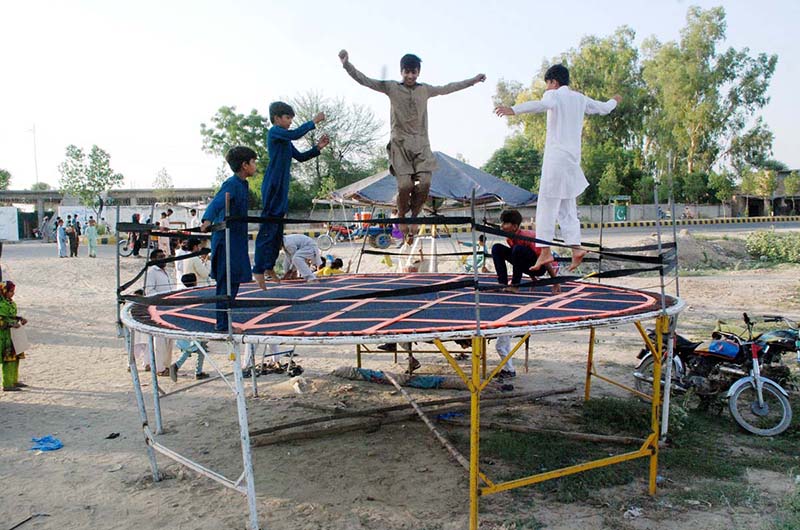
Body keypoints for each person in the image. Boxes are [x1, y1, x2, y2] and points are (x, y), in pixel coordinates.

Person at [339, 49, 485, 236]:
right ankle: (401, 214)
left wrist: (472, 81)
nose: (410, 76)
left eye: (413, 72)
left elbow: (449, 87)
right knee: (404, 186)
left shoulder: (425, 89)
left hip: (421, 144)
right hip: (400, 145)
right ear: (401, 72)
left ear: (418, 73)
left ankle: (415, 215)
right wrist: (346, 65)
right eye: (406, 72)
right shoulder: (391, 87)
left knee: (425, 182)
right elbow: (365, 80)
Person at [495, 64, 621, 271]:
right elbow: (604, 108)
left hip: (556, 159)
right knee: (567, 207)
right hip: (572, 161)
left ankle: (544, 252)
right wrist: (614, 101)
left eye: (547, 85)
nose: (546, 90)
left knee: (546, 205)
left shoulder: (555, 96)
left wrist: (513, 110)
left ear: (553, 82)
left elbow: (539, 104)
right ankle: (576, 247)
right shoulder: (580, 99)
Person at [252, 101, 329, 290]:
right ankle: (258, 269)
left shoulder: (284, 141)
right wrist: (313, 122)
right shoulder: (275, 132)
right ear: (277, 118)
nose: (289, 122)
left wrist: (318, 148)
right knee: (267, 230)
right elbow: (295, 134)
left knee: (277, 232)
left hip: (282, 187)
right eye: (287, 118)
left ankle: (269, 266)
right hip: (273, 185)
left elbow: (301, 157)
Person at [201, 146, 257, 332]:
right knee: (226, 282)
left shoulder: (243, 184)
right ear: (244, 165)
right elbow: (217, 202)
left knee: (235, 280)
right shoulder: (232, 184)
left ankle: (226, 322)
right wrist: (207, 219)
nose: (255, 165)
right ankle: (223, 324)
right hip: (226, 241)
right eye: (253, 162)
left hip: (236, 240)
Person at [491, 210, 559, 293]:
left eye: (505, 223)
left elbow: (544, 259)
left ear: (515, 226)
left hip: (539, 268)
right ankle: (502, 284)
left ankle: (515, 285)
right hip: (527, 265)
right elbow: (520, 260)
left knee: (517, 249)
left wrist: (556, 282)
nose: (502, 226)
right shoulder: (510, 239)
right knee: (497, 248)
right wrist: (533, 280)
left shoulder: (527, 237)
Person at [144, 249, 173, 375]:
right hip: (157, 309)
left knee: (166, 339)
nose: (163, 259)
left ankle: (153, 363)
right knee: (159, 340)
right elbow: (149, 291)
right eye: (160, 257)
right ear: (153, 259)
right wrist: (163, 299)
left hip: (168, 308)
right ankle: (159, 368)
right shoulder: (151, 272)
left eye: (164, 256)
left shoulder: (164, 272)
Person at [0, 281, 28, 391]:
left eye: (13, 291)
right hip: (4, 337)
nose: (12, 294)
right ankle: (7, 384)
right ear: (4, 291)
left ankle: (14, 380)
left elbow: (11, 316)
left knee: (15, 358)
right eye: (10, 291)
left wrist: (19, 319)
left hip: (14, 335)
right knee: (8, 360)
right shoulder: (1, 304)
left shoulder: (10, 302)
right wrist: (10, 324)